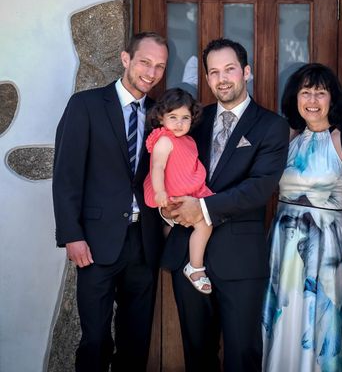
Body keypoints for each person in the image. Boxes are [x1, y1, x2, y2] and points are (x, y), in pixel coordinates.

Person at [161, 38, 289, 372]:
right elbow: (170, 170)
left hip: (240, 261)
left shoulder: (271, 126)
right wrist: (166, 208)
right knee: (197, 355)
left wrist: (201, 209)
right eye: (214, 72)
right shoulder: (193, 122)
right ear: (206, 78)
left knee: (242, 355)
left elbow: (259, 187)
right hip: (187, 256)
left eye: (230, 69)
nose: (223, 78)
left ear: (246, 72)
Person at [52, 31, 169, 371]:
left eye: (160, 67)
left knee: (136, 339)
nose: (151, 73)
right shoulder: (85, 105)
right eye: (145, 62)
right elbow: (66, 175)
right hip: (95, 242)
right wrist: (71, 234)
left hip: (143, 244)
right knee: (96, 338)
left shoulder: (160, 116)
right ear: (125, 59)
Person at [263, 63, 342, 372]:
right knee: (286, 317)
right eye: (306, 92)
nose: (313, 100)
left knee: (322, 320)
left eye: (321, 92)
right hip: (284, 244)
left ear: (333, 99)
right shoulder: (288, 137)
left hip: (330, 247)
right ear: (295, 98)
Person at [143, 87, 214, 294]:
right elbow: (157, 167)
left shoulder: (189, 140)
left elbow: (188, 164)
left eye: (185, 118)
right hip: (171, 192)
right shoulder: (164, 140)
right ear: (161, 117)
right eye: (173, 117)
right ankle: (195, 266)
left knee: (200, 218)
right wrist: (159, 192)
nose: (179, 123)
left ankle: (170, 232)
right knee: (205, 223)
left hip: (187, 189)